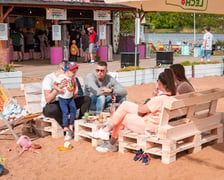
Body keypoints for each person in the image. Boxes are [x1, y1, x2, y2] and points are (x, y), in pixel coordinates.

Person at [90, 69, 176, 152]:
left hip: (150, 128)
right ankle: (108, 137)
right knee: (125, 108)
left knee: (124, 113)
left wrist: (153, 98)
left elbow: (142, 110)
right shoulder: (173, 96)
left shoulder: (160, 99)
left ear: (159, 82)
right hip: (159, 125)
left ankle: (108, 136)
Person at [41, 60, 91, 126]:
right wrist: (58, 88)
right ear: (59, 69)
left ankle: (78, 123)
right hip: (53, 104)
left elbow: (73, 96)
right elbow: (48, 99)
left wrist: (74, 91)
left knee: (86, 99)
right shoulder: (49, 79)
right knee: (52, 109)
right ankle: (65, 127)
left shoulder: (70, 78)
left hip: (66, 102)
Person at [53, 62, 79, 140]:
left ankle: (71, 124)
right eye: (73, 72)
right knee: (65, 111)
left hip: (70, 97)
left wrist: (76, 90)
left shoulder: (72, 78)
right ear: (67, 71)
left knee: (73, 109)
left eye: (75, 72)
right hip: (63, 98)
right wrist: (59, 89)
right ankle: (64, 125)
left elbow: (74, 84)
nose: (74, 74)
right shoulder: (62, 77)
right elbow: (54, 84)